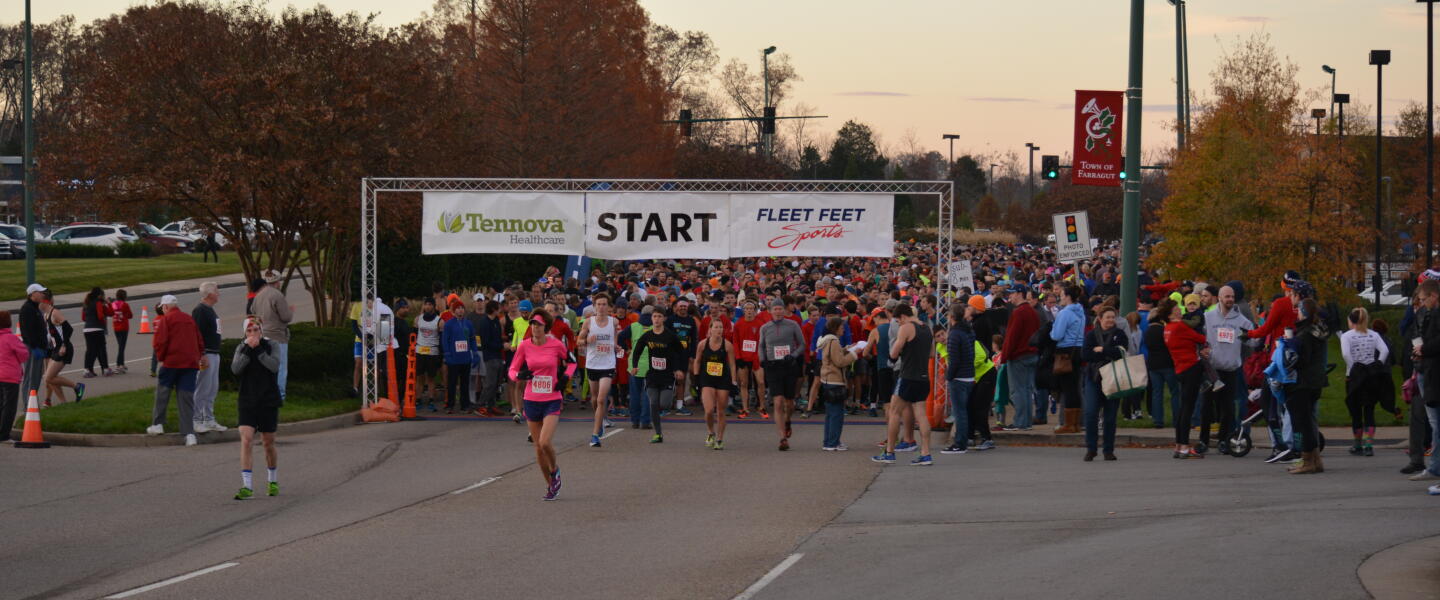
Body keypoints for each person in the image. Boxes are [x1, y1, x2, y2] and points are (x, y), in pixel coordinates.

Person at [508, 308, 571, 501]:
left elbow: (572, 362)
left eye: (539, 325)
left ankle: (555, 470)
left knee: (545, 442)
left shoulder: (556, 345)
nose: (535, 328)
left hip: (551, 399)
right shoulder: (524, 346)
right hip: (531, 400)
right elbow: (512, 369)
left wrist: (565, 377)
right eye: (533, 324)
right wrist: (519, 375)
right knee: (538, 447)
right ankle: (550, 486)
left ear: (546, 327)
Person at [872, 303, 935, 466]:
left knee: (894, 412)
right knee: (921, 415)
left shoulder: (906, 328)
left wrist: (894, 358)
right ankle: (926, 453)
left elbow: (894, 351)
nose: (898, 324)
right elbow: (932, 353)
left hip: (907, 376)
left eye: (898, 321)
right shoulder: (927, 328)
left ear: (903, 317)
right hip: (923, 377)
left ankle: (889, 452)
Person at [232, 316, 282, 500]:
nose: (252, 334)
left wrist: (259, 349)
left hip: (267, 399)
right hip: (247, 399)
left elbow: (274, 366)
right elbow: (235, 369)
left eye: (256, 330)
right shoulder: (241, 347)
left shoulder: (271, 346)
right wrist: (247, 349)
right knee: (246, 439)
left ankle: (273, 480)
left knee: (268, 442)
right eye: (249, 331)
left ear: (261, 331)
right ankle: (247, 486)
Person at [1201, 285, 1253, 455]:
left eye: (1232, 296)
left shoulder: (1241, 321)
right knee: (1207, 407)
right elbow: (1199, 338)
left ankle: (1224, 440)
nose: (1230, 299)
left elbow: (1253, 341)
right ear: (1220, 298)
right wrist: (1201, 349)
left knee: (1228, 408)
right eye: (1227, 296)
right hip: (1212, 369)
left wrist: (1255, 340)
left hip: (1231, 369)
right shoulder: (1208, 317)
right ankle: (1203, 441)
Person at [150, 294, 205, 446]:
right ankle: (189, 434)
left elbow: (160, 342)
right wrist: (201, 354)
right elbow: (199, 339)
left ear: (166, 307)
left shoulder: (166, 320)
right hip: (190, 364)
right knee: (186, 399)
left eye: (163, 308)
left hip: (171, 363)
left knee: (163, 394)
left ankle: (158, 424)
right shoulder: (188, 319)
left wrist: (162, 358)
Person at [1286, 295, 1331, 475]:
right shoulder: (1318, 330)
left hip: (1303, 382)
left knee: (1302, 421)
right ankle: (1315, 459)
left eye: (1299, 310)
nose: (1297, 313)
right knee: (1310, 421)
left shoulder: (1305, 334)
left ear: (1304, 313)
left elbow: (1302, 360)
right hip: (1316, 381)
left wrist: (1290, 347)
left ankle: (1308, 460)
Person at [1081, 306, 1128, 461]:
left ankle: (1108, 449)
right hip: (1093, 378)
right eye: (1107, 317)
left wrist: (1102, 350)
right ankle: (1091, 448)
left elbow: (1121, 352)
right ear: (1100, 318)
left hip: (1113, 378)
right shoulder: (1091, 335)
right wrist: (1107, 352)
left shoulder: (1119, 334)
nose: (1110, 320)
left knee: (1110, 416)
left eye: (1113, 317)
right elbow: (1086, 355)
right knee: (1090, 412)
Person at [1164, 298, 1209, 459]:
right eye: (1177, 308)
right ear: (1171, 313)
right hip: (1191, 367)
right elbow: (1201, 339)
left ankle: (1179, 445)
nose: (1180, 309)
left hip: (1180, 368)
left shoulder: (1167, 329)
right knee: (1188, 409)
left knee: (1183, 408)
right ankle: (1184, 446)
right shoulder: (1180, 326)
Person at [630, 311, 685, 444]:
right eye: (654, 316)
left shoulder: (670, 336)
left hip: (667, 376)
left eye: (659, 316)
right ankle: (658, 434)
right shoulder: (647, 335)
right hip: (652, 376)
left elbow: (680, 353)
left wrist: (678, 369)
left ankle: (667, 400)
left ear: (664, 319)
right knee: (653, 403)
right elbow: (637, 351)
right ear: (651, 318)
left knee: (664, 404)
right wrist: (635, 366)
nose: (656, 319)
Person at [1340, 307, 1387, 457]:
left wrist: (1353, 366)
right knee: (1369, 410)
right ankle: (1369, 445)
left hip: (1354, 376)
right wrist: (1378, 364)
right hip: (1371, 375)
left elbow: (1346, 353)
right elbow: (1385, 350)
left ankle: (1357, 444)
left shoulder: (1347, 336)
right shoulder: (1374, 335)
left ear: (1351, 320)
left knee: (1355, 411)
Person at [759, 300, 806, 451]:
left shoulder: (792, 325)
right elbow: (761, 346)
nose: (778, 312)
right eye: (775, 309)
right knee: (778, 401)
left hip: (789, 366)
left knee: (789, 403)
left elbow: (802, 344)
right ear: (770, 311)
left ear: (784, 310)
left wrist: (793, 356)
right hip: (773, 367)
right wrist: (762, 361)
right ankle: (782, 438)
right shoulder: (765, 328)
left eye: (780, 309)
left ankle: (788, 421)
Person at [1407, 278, 1440, 493]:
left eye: (1424, 299)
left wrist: (1424, 349)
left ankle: (1435, 467)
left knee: (1436, 424)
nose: (1422, 303)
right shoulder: (1429, 314)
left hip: (1433, 372)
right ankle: (1435, 467)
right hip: (1428, 371)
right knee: (1435, 424)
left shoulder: (1435, 314)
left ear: (1433, 296)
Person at [579, 293, 619, 447]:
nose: (602, 307)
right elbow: (579, 341)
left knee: (602, 399)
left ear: (609, 307)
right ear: (594, 306)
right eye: (599, 304)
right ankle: (600, 419)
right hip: (592, 364)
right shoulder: (588, 322)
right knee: (594, 399)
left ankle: (595, 434)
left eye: (604, 304)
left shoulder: (613, 322)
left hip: (607, 364)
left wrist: (616, 346)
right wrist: (586, 340)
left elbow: (614, 339)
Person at [999, 285, 1039, 431]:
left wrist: (1004, 357)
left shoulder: (1019, 312)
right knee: (1027, 390)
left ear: (1019, 294)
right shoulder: (1032, 312)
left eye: (1012, 294)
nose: (1010, 297)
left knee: (1018, 391)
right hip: (1032, 354)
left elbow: (1011, 337)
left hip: (1019, 356)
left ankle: (1020, 421)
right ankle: (1026, 420)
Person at [693, 319, 738, 450]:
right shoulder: (703, 344)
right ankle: (711, 432)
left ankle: (719, 438)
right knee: (708, 410)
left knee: (720, 411)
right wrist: (696, 378)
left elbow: (732, 364)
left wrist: (734, 381)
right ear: (710, 329)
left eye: (721, 327)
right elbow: (697, 361)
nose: (719, 330)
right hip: (707, 379)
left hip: (722, 379)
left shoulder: (727, 345)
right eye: (716, 327)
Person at [817, 316, 858, 451]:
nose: (844, 330)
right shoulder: (833, 341)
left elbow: (834, 356)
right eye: (841, 327)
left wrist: (846, 349)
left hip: (828, 379)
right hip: (835, 380)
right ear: (835, 328)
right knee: (836, 414)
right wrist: (853, 354)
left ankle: (829, 441)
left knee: (830, 414)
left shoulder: (828, 340)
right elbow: (839, 361)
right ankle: (833, 442)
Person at [252, 273, 294, 401]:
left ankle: (266, 393)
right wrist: (291, 311)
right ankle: (279, 395)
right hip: (277, 336)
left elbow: (253, 312)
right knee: (280, 367)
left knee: (266, 367)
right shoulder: (277, 295)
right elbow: (286, 317)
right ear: (277, 281)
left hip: (263, 336)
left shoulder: (258, 296)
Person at [192, 282, 227, 434]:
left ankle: (209, 419)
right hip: (206, 355)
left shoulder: (210, 310)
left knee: (212, 387)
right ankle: (196, 419)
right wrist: (201, 354)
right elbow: (196, 334)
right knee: (202, 387)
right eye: (217, 291)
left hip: (214, 353)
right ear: (210, 294)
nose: (219, 294)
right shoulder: (200, 311)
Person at [1050, 284, 1086, 435]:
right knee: (1074, 387)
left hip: (1065, 350)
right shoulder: (1081, 312)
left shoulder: (1065, 313)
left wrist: (1051, 331)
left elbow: (1057, 335)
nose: (1061, 297)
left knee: (1067, 388)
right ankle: (1076, 423)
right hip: (1078, 349)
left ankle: (1069, 424)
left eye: (1062, 294)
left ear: (1068, 296)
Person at [942, 302, 976, 455]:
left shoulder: (954, 334)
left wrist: (949, 376)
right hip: (969, 374)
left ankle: (960, 443)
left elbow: (954, 359)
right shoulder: (969, 331)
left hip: (959, 377)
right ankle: (964, 440)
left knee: (959, 411)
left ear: (951, 317)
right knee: (964, 411)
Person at [1144, 308, 1179, 429]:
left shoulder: (1148, 331)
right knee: (1175, 392)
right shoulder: (1165, 330)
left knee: (1157, 393)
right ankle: (1177, 420)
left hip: (1153, 365)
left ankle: (1158, 420)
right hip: (1168, 364)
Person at [441, 302, 476, 414]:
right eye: (458, 308)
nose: (460, 310)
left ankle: (464, 405)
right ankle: (450, 405)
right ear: (453, 310)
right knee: (452, 382)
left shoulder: (468, 323)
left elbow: (472, 339)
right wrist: (447, 354)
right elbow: (445, 340)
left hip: (465, 357)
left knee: (465, 383)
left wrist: (474, 353)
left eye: (462, 308)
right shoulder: (449, 324)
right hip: (453, 358)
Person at [42, 305, 80, 407]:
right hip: (55, 349)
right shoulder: (45, 315)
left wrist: (63, 345)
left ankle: (77, 386)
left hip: (63, 348)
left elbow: (69, 329)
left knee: (48, 378)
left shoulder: (54, 313)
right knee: (50, 378)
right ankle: (64, 403)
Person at [0, 312, 27, 442]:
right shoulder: (10, 338)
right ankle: (4, 434)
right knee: (9, 406)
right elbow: (24, 355)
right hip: (9, 376)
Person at [475, 300, 505, 416]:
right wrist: (502, 346)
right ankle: (480, 405)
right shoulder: (484, 323)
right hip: (490, 356)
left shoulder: (496, 321)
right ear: (493, 309)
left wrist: (503, 341)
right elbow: (486, 342)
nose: (500, 310)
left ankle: (491, 406)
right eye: (498, 308)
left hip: (497, 355)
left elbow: (497, 338)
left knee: (496, 382)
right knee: (490, 383)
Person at [19, 283, 49, 396]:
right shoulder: (27, 309)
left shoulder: (35, 308)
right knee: (31, 376)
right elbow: (28, 331)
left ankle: (32, 401)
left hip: (38, 347)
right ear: (32, 294)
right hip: (32, 348)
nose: (43, 294)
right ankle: (28, 403)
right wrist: (35, 347)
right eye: (40, 292)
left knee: (36, 376)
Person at [414, 297, 443, 412]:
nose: (428, 306)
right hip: (420, 350)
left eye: (430, 304)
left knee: (431, 378)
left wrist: (441, 354)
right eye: (426, 304)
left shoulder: (439, 321)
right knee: (419, 377)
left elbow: (441, 339)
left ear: (434, 306)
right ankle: (418, 400)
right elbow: (414, 335)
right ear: (424, 306)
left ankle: (431, 400)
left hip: (433, 351)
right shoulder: (418, 319)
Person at [80, 287, 114, 378]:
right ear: (99, 295)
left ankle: (88, 369)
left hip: (87, 329)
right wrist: (109, 304)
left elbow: (83, 318)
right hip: (97, 329)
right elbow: (106, 314)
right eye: (103, 295)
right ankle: (105, 369)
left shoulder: (86, 303)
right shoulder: (99, 303)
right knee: (101, 349)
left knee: (91, 350)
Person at [111, 289, 133, 373]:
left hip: (116, 327)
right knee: (121, 347)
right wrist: (125, 315)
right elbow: (130, 315)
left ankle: (122, 364)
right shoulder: (125, 305)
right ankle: (118, 365)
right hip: (124, 327)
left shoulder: (113, 304)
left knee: (121, 346)